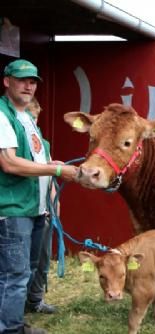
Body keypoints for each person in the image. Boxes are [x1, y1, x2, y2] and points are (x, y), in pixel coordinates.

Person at [0, 59, 77, 334]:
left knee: (25, 272)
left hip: (34, 209)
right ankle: (9, 329)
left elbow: (34, 158)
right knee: (14, 275)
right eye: (22, 80)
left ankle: (14, 322)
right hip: (12, 210)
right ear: (6, 81)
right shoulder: (2, 114)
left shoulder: (27, 119)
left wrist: (51, 168)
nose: (28, 86)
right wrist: (57, 168)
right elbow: (9, 163)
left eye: (32, 81)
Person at [24, 97, 57, 315]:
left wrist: (55, 208)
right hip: (22, 210)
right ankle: (16, 304)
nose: (34, 122)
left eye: (36, 118)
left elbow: (50, 177)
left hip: (44, 210)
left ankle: (35, 300)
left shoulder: (43, 144)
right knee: (21, 262)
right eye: (30, 117)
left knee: (42, 257)